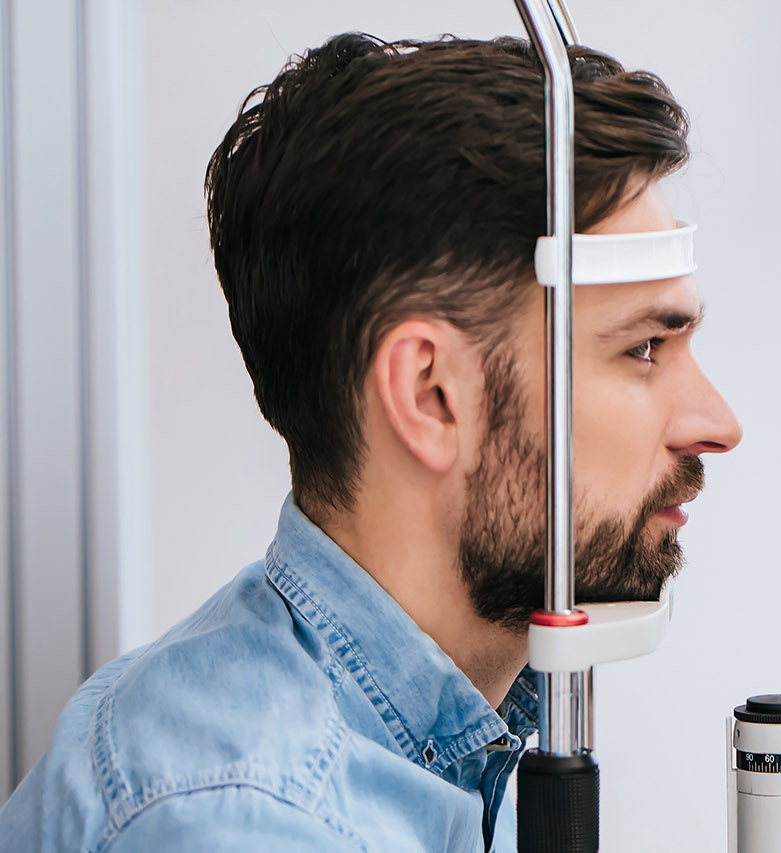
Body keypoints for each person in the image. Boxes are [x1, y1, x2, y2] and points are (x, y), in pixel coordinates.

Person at [0, 34, 739, 851]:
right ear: (430, 396)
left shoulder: (458, 743)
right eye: (643, 348)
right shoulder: (242, 820)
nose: (718, 422)